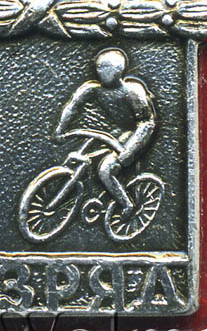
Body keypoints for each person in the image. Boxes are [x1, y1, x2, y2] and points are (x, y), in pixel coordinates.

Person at [55, 48, 156, 218]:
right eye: (99, 67)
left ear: (119, 70)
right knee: (82, 153)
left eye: (107, 67)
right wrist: (60, 129)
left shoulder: (132, 91)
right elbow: (73, 106)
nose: (102, 72)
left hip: (135, 134)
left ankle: (127, 204)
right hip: (115, 132)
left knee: (106, 170)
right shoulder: (93, 89)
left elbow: (146, 123)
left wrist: (128, 151)